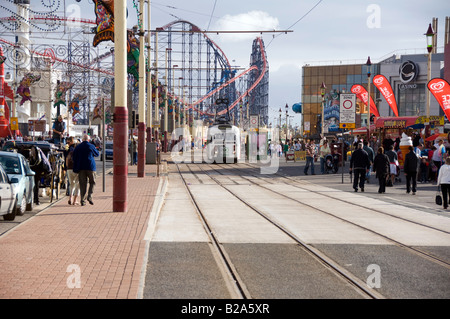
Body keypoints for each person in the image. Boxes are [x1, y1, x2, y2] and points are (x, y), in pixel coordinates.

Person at [73, 134, 99, 206]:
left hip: (81, 168)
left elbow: (74, 157)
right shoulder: (91, 146)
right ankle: (89, 196)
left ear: (82, 139)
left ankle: (82, 201)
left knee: (82, 184)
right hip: (91, 167)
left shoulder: (78, 147)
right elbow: (97, 154)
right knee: (92, 182)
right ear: (88, 140)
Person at [65, 136, 80, 205]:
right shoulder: (78, 151)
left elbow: (66, 159)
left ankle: (70, 198)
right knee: (77, 184)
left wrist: (67, 167)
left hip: (69, 169)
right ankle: (75, 200)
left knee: (71, 184)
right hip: (76, 169)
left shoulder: (68, 150)